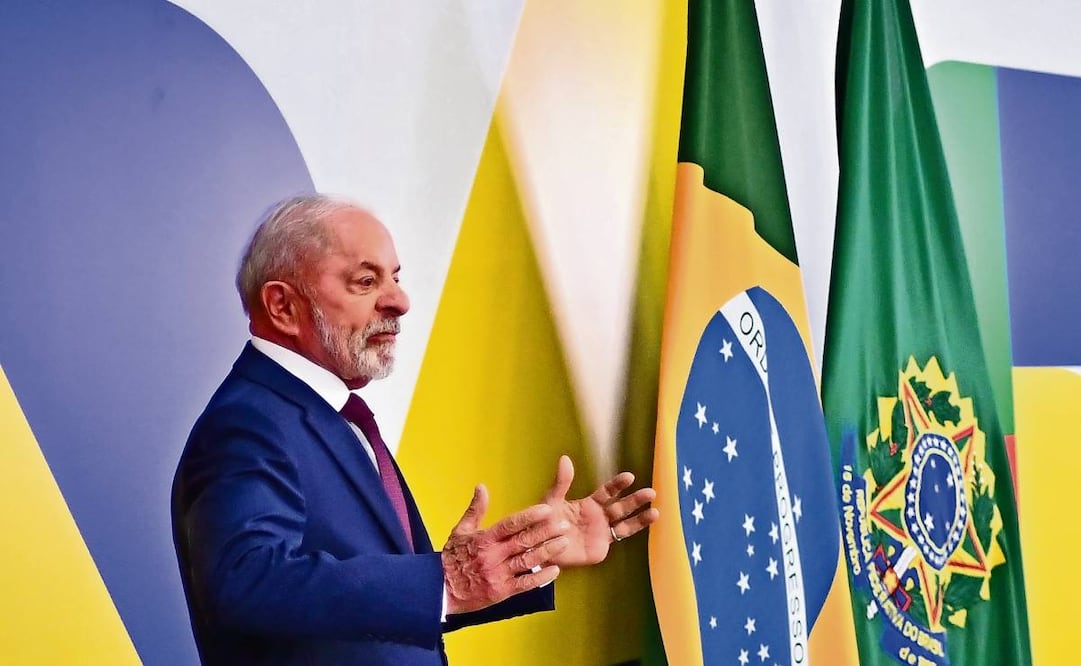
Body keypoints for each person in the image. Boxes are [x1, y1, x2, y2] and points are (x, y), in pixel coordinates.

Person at [171, 194, 659, 665]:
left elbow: (381, 620)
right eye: (366, 281)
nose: (400, 301)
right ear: (282, 305)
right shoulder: (247, 422)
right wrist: (446, 581)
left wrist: (524, 556)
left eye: (396, 278)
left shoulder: (334, 415)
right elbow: (248, 581)